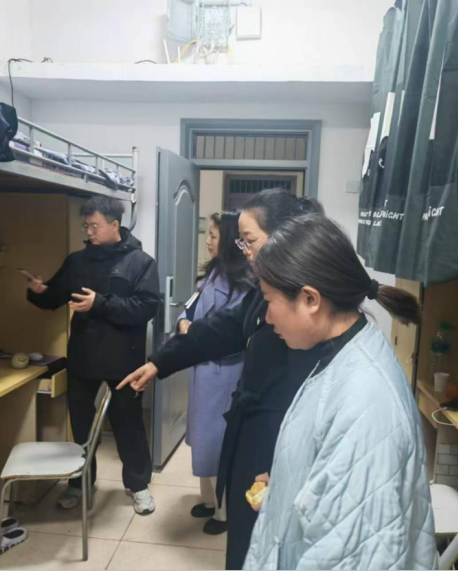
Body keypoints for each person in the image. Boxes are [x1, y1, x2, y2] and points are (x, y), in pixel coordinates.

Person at [118, 189, 326, 570]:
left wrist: (286, 468)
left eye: (248, 240)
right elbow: (223, 328)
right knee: (245, 541)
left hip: (276, 446)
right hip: (253, 436)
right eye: (240, 242)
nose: (243, 251)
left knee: (265, 545)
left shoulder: (307, 307)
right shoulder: (267, 291)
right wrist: (160, 362)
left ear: (284, 238)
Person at [243, 215, 436, 570]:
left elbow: (357, 555)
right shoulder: (344, 351)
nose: (267, 318)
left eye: (269, 300)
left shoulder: (365, 399)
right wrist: (290, 480)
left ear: (310, 299)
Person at [26, 196, 160, 515]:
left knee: (128, 425)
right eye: (85, 226)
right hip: (84, 356)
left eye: (94, 226)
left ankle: (138, 486)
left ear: (115, 225)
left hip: (124, 359)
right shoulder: (77, 261)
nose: (89, 232)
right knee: (82, 426)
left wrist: (100, 303)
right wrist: (39, 291)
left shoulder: (140, 262)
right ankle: (79, 483)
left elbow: (146, 308)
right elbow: (55, 297)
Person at [178, 212, 255, 536]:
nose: (208, 241)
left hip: (224, 371)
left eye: (213, 235)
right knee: (202, 439)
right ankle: (209, 501)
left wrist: (193, 329)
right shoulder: (213, 273)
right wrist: (184, 321)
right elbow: (191, 308)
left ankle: (223, 513)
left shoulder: (244, 283)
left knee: (216, 444)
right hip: (204, 368)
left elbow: (227, 330)